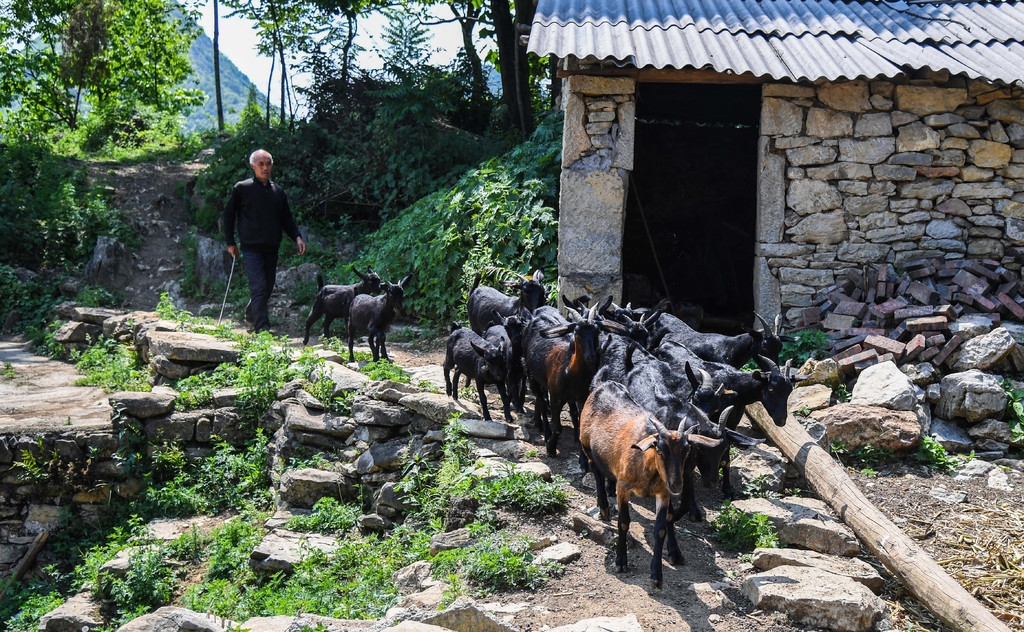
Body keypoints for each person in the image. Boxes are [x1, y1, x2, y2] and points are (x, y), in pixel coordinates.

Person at [223, 148, 306, 333]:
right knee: (258, 286)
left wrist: (297, 237)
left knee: (267, 287)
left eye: (268, 164)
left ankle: (252, 315)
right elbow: (228, 216)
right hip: (251, 247)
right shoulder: (242, 188)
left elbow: (287, 219)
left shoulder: (278, 192)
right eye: (261, 164)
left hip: (272, 247)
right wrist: (230, 242)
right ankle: (262, 329)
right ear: (253, 166)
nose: (265, 168)